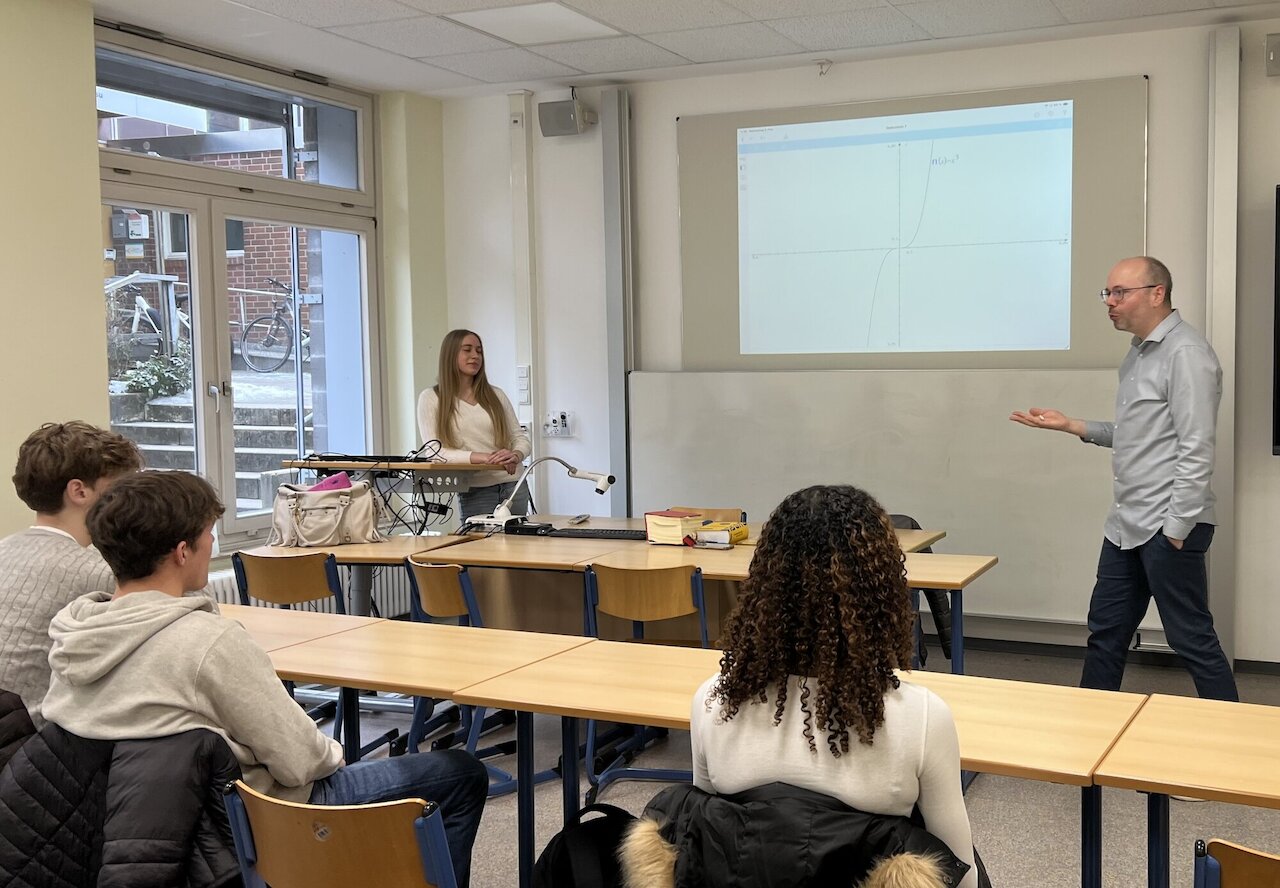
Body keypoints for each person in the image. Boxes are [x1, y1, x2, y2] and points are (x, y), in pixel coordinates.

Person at [40, 471, 488, 886]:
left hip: (117, 829)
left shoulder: (76, 634)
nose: (211, 543)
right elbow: (300, 761)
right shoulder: (206, 643)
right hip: (242, 824)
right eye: (207, 536)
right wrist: (332, 754)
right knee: (460, 773)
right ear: (182, 552)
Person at [691, 484, 978, 888]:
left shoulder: (712, 701)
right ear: (882, 592)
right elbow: (960, 875)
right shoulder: (922, 717)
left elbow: (703, 838)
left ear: (763, 587)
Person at [1010, 255, 1237, 701]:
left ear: (1157, 293)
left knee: (1191, 640)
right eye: (1107, 293)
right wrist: (1073, 425)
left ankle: (1241, 748)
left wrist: (1175, 530)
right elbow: (1138, 436)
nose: (1109, 302)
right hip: (1124, 526)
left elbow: (1196, 448)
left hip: (1166, 526)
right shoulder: (1137, 354)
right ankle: (1091, 750)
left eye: (1120, 292)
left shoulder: (1186, 354)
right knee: (1105, 635)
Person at [0, 421, 142, 725]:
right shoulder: (102, 571)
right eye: (122, 488)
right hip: (35, 747)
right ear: (79, 491)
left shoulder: (4, 549)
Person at [417, 328, 532, 521]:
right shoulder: (431, 398)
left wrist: (515, 455)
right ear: (450, 355)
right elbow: (435, 452)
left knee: (517, 547)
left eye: (479, 351)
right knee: (478, 549)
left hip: (514, 486)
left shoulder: (496, 395)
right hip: (475, 490)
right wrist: (484, 458)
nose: (475, 356)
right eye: (467, 350)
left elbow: (520, 438)